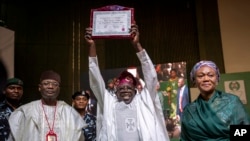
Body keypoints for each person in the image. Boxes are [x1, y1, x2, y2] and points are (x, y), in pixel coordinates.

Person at [85, 24, 169, 141]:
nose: (125, 90)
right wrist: (92, 45)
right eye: (121, 88)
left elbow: (151, 77)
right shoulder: (109, 103)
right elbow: (95, 79)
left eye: (129, 88)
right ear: (116, 90)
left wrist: (137, 45)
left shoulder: (143, 101)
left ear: (135, 90)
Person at [7, 70, 87, 141]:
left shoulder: (70, 113)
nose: (50, 87)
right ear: (39, 87)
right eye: (46, 83)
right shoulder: (25, 111)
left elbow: (79, 138)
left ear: (59, 89)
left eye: (55, 84)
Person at [181, 60, 250, 140]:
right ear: (194, 81)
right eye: (200, 76)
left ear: (217, 79)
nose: (206, 79)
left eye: (210, 75)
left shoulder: (232, 102)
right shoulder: (189, 110)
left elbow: (244, 132)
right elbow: (185, 138)